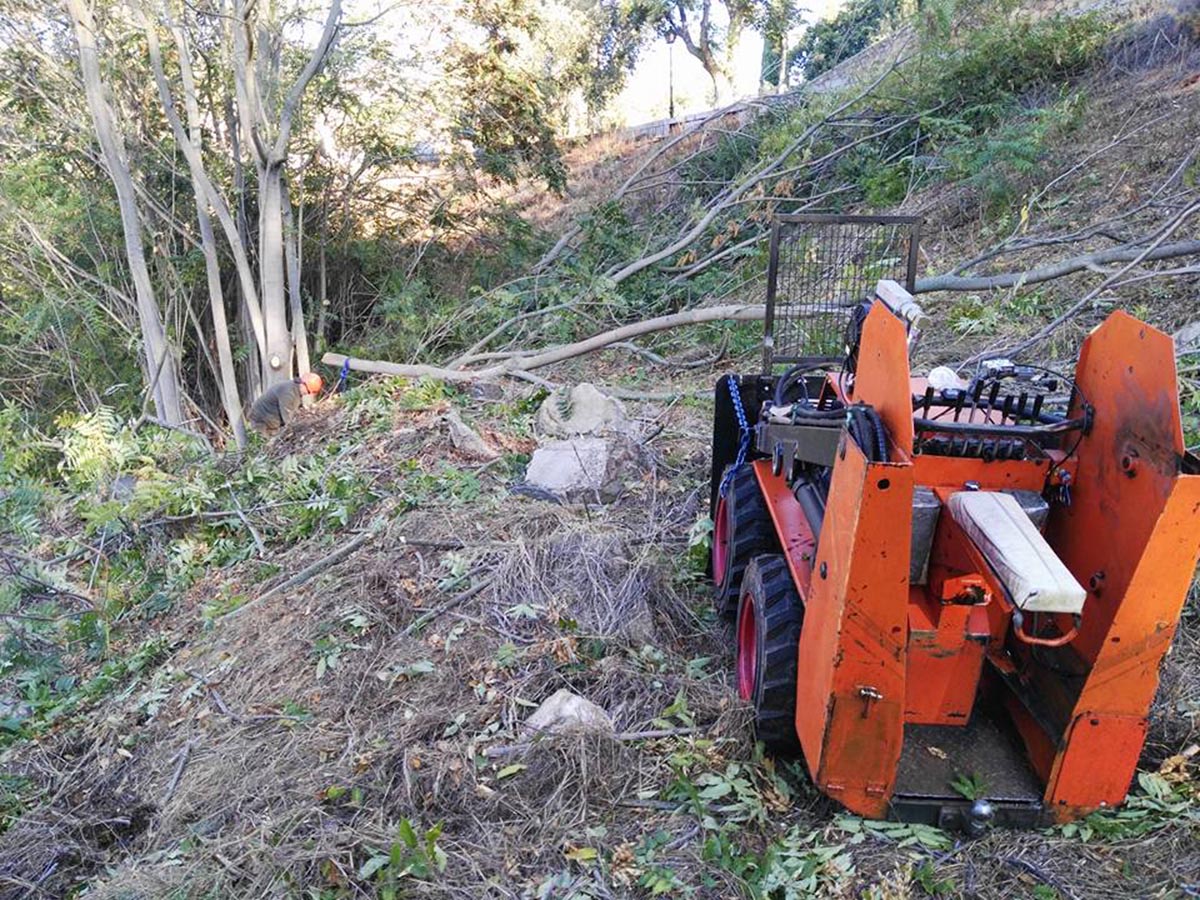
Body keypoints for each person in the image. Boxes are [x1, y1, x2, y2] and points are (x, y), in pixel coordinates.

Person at [247, 372, 323, 436]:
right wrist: (294, 432)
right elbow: (287, 416)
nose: (307, 394)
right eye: (308, 391)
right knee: (265, 447)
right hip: (262, 422)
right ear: (303, 384)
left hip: (271, 422)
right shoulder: (288, 392)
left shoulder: (294, 389)